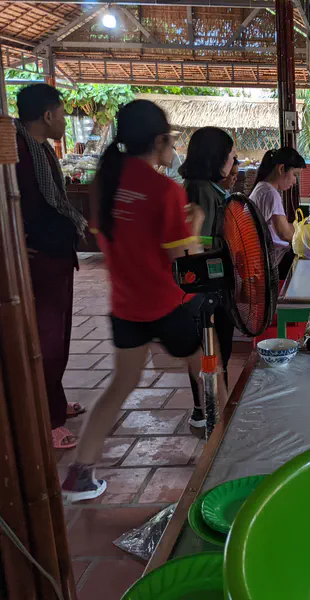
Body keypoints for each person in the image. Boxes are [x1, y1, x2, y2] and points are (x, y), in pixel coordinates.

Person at [60, 100, 220, 502]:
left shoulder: (106, 183)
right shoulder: (165, 190)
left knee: (120, 385)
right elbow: (180, 261)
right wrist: (195, 225)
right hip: (168, 305)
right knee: (210, 370)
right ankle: (223, 452)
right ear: (159, 140)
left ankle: (81, 474)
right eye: (171, 138)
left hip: (126, 308)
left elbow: (107, 238)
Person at [15, 83, 87, 450]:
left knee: (59, 337)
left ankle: (55, 402)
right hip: (38, 257)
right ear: (47, 115)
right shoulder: (17, 152)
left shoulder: (40, 149)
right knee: (46, 339)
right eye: (61, 113)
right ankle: (49, 419)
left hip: (56, 255)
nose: (63, 120)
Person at [179, 126, 236, 427]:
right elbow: (197, 242)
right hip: (207, 284)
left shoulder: (205, 187)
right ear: (217, 157)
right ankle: (208, 412)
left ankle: (209, 408)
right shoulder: (200, 189)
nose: (233, 160)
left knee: (210, 349)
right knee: (210, 350)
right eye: (230, 155)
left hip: (213, 282)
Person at [249, 147, 305, 279]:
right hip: (274, 260)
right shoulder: (270, 194)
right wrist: (308, 239)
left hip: (266, 256)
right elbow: (285, 233)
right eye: (295, 175)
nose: (294, 181)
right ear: (281, 169)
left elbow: (284, 226)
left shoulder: (262, 188)